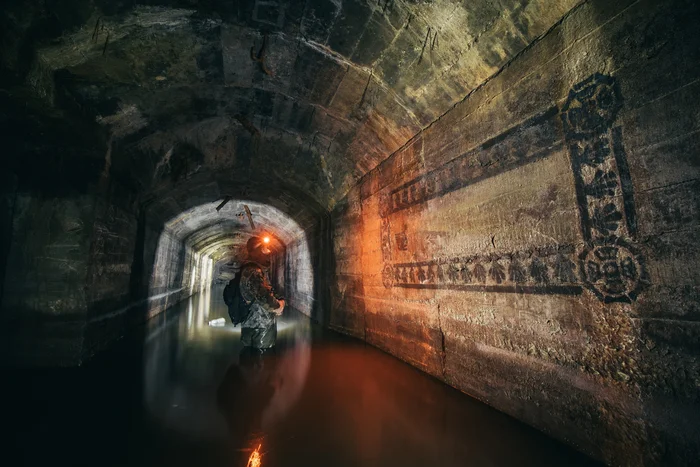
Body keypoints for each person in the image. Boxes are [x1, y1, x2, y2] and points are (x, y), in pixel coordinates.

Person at [224, 236, 285, 349]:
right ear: (258, 251)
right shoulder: (253, 271)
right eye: (265, 249)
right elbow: (263, 297)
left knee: (251, 359)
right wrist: (279, 306)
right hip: (259, 327)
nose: (269, 251)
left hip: (252, 324)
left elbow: (261, 291)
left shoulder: (252, 269)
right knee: (261, 359)